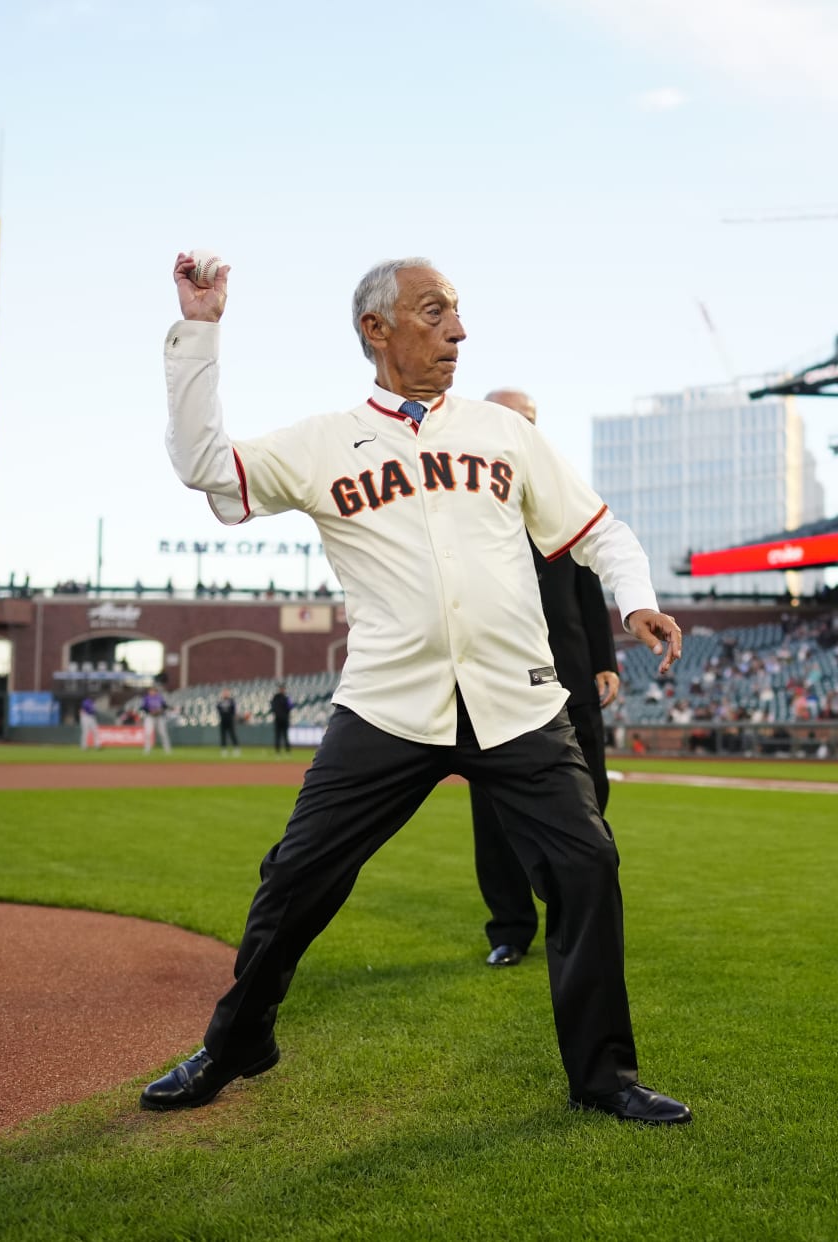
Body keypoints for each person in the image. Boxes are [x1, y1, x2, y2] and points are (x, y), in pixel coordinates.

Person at [141, 253, 691, 1125]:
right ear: (377, 329)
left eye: (458, 314)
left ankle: (605, 1078)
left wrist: (637, 604)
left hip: (518, 700)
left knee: (588, 866)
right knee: (296, 879)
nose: (458, 331)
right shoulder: (324, 442)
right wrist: (200, 328)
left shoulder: (505, 434)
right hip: (389, 704)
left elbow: (601, 530)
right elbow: (205, 463)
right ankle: (237, 1041)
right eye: (435, 314)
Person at [470, 387, 623, 969]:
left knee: (589, 802)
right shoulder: (461, 492)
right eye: (514, 419)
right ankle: (509, 928)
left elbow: (589, 582)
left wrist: (604, 659)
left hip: (572, 677)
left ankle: (579, 917)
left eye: (531, 420)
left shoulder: (557, 488)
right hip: (497, 683)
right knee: (494, 815)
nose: (525, 429)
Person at [141, 683, 172, 754]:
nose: (152, 692)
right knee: (148, 733)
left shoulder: (159, 697)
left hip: (159, 717)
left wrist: (160, 710)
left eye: (154, 690)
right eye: (151, 690)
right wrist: (150, 711)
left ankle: (167, 749)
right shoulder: (146, 698)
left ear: (156, 691)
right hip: (150, 717)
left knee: (163, 733)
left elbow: (165, 706)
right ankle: (147, 749)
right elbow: (143, 708)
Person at [216, 687, 240, 757]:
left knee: (232, 734)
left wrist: (230, 715)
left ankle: (236, 748)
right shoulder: (220, 701)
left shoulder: (231, 701)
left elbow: (233, 710)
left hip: (230, 720)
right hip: (223, 720)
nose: (225, 694)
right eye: (224, 693)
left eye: (226, 692)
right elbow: (218, 708)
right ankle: (224, 749)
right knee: (223, 735)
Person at [269, 683, 292, 753]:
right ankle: (277, 751)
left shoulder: (287, 698)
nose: (282, 690)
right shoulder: (276, 697)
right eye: (281, 689)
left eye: (283, 689)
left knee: (285, 736)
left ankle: (288, 751)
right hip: (278, 719)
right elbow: (272, 707)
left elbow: (290, 707)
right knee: (277, 736)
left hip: (285, 719)